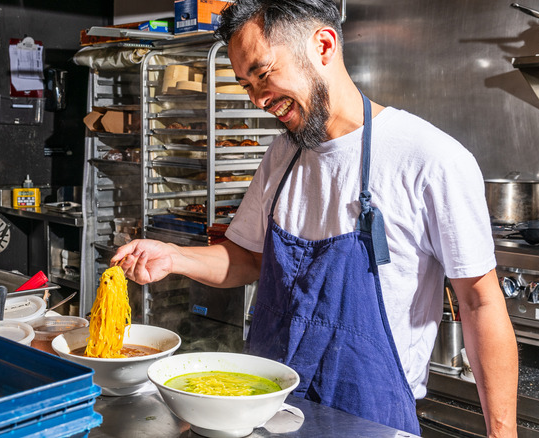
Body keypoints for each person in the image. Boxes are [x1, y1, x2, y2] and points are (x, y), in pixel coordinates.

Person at [111, 0, 518, 435]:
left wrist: (501, 431)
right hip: (264, 411)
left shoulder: (429, 158)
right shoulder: (283, 155)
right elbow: (247, 259)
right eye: (246, 84)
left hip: (370, 421)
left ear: (323, 45)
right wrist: (173, 256)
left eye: (263, 74)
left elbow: (480, 301)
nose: (258, 99)